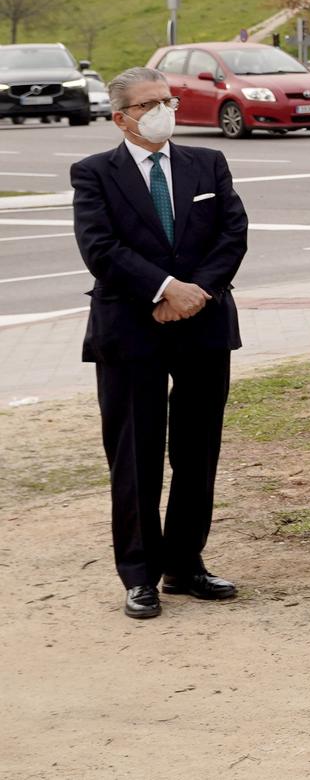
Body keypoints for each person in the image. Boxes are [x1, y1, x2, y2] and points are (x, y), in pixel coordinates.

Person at [70, 67, 249, 619]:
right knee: (135, 454)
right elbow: (100, 248)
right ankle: (139, 573)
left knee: (197, 452)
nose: (163, 109)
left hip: (204, 324)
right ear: (121, 116)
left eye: (167, 99)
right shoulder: (94, 173)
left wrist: (197, 293)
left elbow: (233, 232)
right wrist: (165, 289)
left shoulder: (207, 163)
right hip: (129, 331)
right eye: (149, 103)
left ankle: (185, 563)